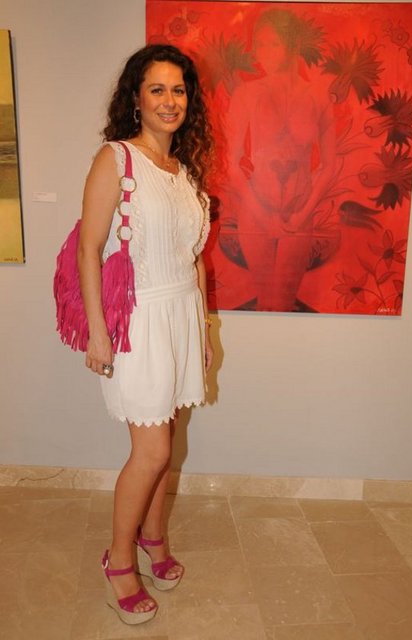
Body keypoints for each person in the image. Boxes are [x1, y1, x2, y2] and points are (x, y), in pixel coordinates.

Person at [77, 44, 213, 625]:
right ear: (135, 98)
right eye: (157, 89)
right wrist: (97, 333)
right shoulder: (116, 159)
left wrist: (204, 330)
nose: (169, 100)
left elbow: (194, 258)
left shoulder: (184, 173)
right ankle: (119, 561)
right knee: (152, 450)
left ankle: (154, 540)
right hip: (138, 322)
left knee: (167, 445)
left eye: (178, 90)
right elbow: (89, 248)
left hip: (182, 317)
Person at [225, 9, 336, 310]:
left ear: (293, 45)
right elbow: (232, 163)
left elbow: (330, 165)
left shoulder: (318, 96)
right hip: (256, 207)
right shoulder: (246, 94)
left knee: (284, 302)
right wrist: (263, 214)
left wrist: (302, 214)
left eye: (273, 44)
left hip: (299, 209)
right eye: (260, 44)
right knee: (265, 302)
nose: (265, 52)